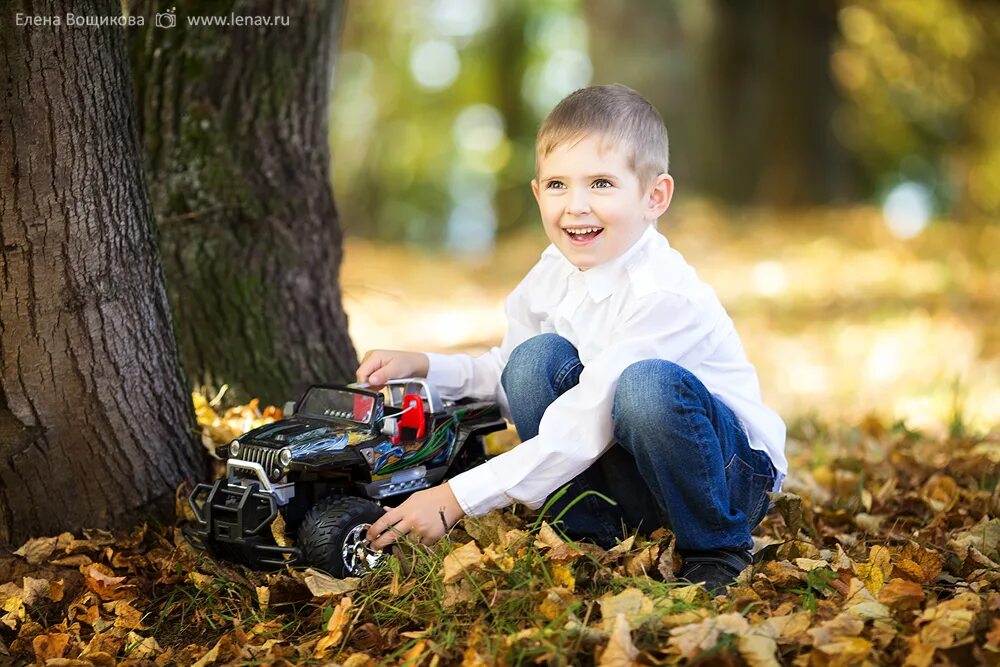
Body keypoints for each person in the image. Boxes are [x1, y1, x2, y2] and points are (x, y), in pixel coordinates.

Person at [359, 84, 787, 595]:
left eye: (602, 183)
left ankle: (716, 549)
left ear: (655, 197)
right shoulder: (552, 270)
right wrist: (428, 365)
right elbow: (504, 375)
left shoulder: (665, 294)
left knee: (644, 387)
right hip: (634, 464)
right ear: (538, 193)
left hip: (727, 475)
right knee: (531, 360)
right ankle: (590, 526)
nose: (576, 207)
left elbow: (588, 421)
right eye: (558, 185)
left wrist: (455, 497)